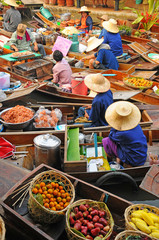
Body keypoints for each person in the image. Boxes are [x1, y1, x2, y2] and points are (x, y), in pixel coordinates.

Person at [102, 101, 147, 167]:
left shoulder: (123, 134)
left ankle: (110, 161)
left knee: (106, 141)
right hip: (141, 154)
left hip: (133, 159)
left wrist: (114, 125)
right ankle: (119, 159)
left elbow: (111, 136)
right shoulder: (135, 125)